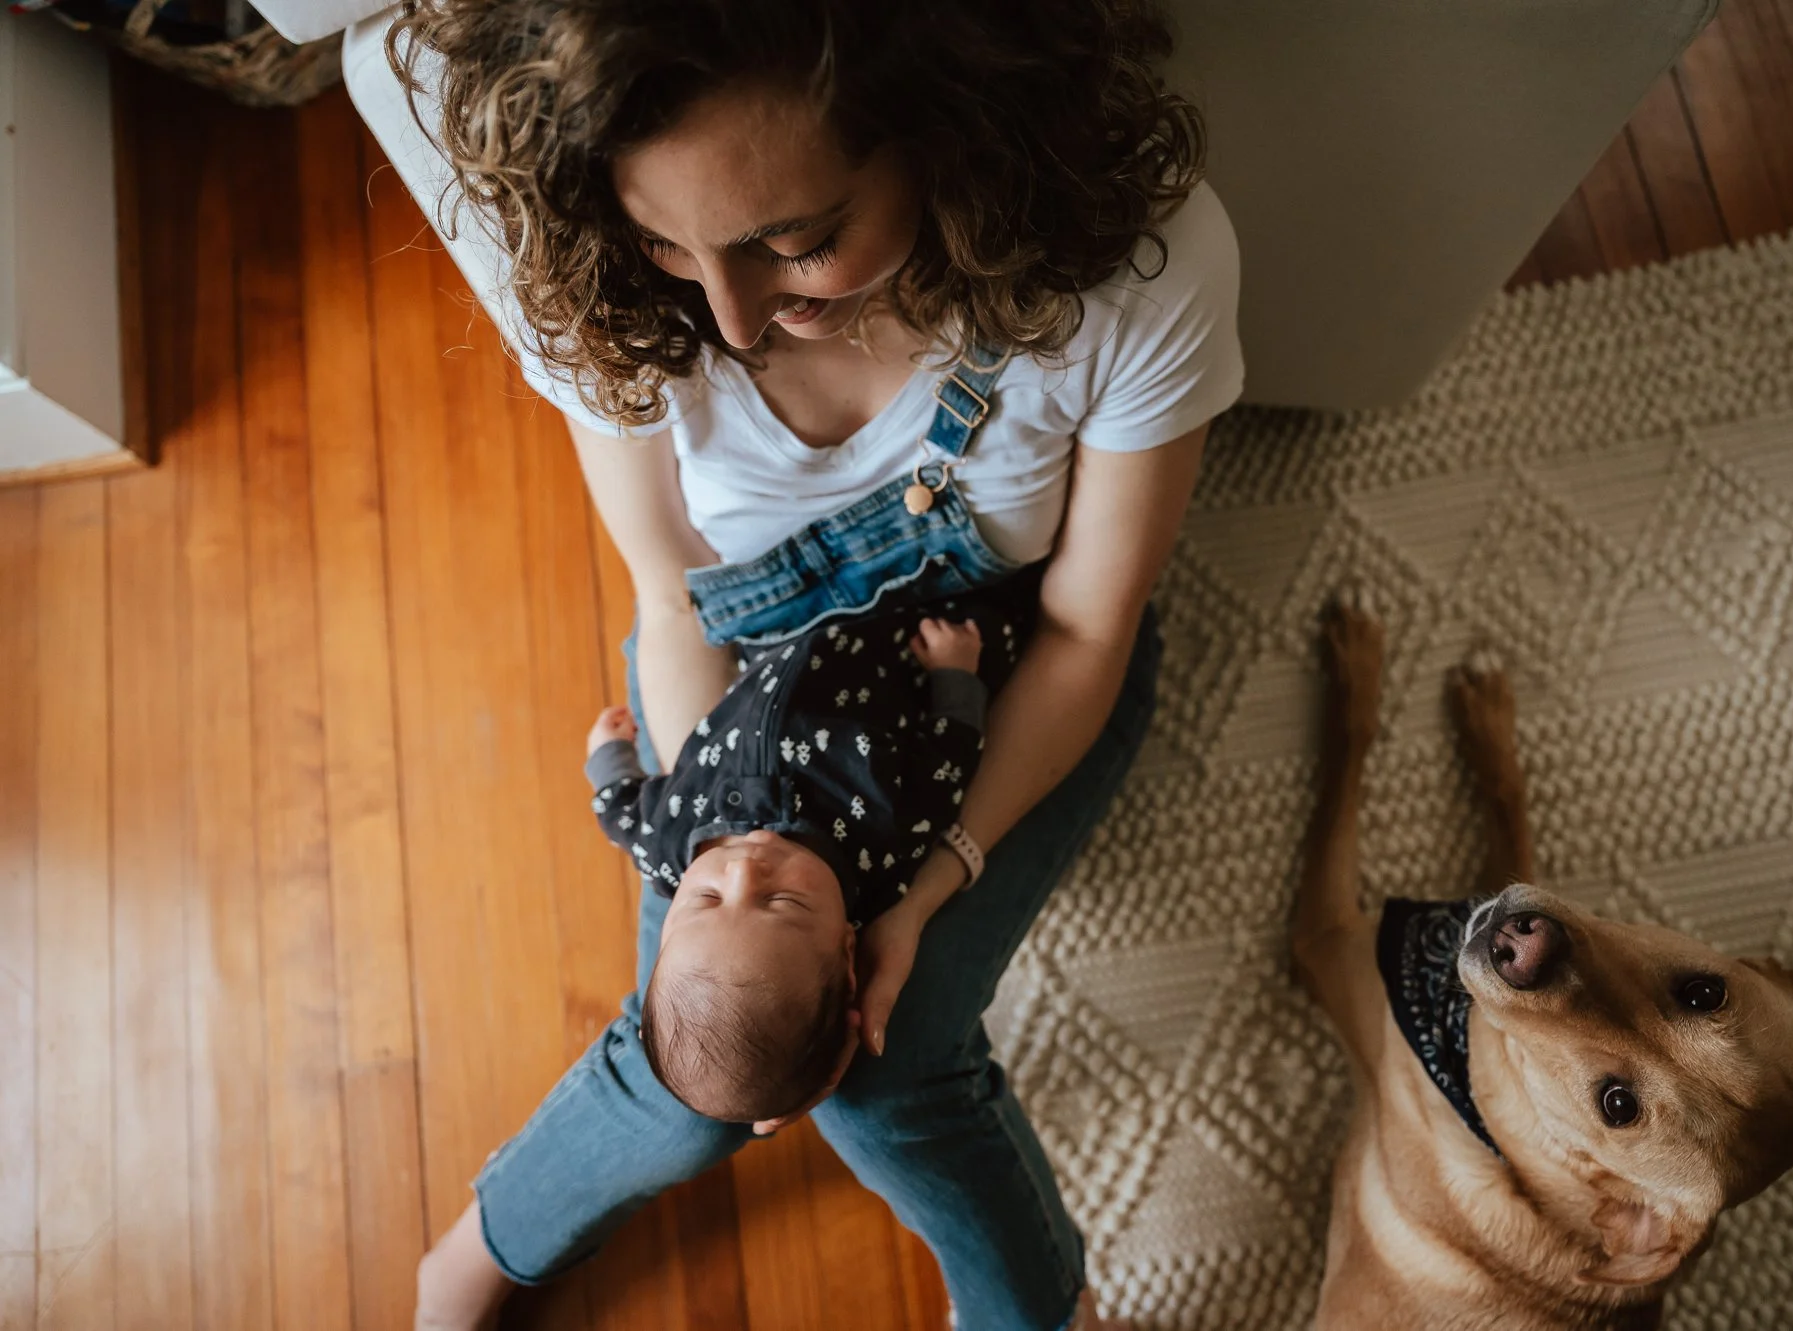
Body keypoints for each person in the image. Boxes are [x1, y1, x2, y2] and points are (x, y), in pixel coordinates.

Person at [347, 0, 1244, 1326]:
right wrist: (725, 829)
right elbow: (672, 595)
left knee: (887, 1076)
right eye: (667, 241)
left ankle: (1032, 1314)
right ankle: (478, 1253)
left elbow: (1088, 628)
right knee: (703, 1031)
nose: (733, 315)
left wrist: (926, 884)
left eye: (799, 242)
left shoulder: (1133, 273)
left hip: (1008, 664)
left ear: (955, 130)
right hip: (739, 690)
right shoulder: (605, 275)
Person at [583, 599, 1022, 1125]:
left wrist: (609, 758)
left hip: (767, 618)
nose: (742, 871)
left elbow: (620, 814)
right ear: (847, 946)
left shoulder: (665, 846)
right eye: (781, 901)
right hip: (889, 627)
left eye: (706, 898)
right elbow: (949, 761)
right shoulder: (886, 846)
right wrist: (954, 676)